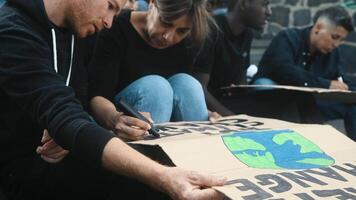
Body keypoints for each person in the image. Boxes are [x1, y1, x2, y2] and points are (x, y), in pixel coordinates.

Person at [0, 0, 227, 199]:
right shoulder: (12, 30)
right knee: (150, 183)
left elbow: (74, 105)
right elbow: (68, 115)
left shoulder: (76, 29)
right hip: (20, 174)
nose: (109, 22)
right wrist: (163, 176)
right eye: (110, 6)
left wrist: (65, 130)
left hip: (62, 155)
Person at [88, 0, 219, 141]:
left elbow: (181, 94)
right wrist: (115, 118)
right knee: (157, 87)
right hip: (116, 116)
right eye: (165, 22)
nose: (168, 37)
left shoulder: (191, 40)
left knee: (188, 84)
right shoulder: (117, 26)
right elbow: (97, 94)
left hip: (167, 126)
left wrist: (204, 113)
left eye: (181, 31)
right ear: (152, 4)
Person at [253, 6, 356, 141]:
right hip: (276, 97)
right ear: (318, 28)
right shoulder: (288, 37)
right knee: (265, 85)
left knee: (352, 104)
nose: (336, 44)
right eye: (335, 37)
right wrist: (326, 84)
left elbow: (341, 80)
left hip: (307, 101)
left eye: (340, 40)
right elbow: (282, 70)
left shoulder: (332, 53)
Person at [193, 0, 272, 116]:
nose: (269, 12)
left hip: (226, 99)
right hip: (204, 106)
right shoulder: (210, 29)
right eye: (264, 4)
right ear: (244, 4)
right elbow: (199, 89)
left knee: (282, 105)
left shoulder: (247, 34)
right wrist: (232, 118)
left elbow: (241, 82)